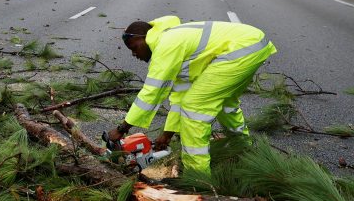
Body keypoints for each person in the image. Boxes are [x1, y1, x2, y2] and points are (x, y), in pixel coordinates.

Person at [106, 15, 276, 178]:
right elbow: (180, 96)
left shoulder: (165, 46)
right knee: (225, 102)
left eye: (134, 48)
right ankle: (243, 147)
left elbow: (151, 93)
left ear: (144, 38)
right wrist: (167, 135)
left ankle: (198, 177)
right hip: (253, 43)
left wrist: (121, 129)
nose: (134, 54)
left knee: (194, 108)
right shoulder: (170, 39)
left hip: (241, 49)